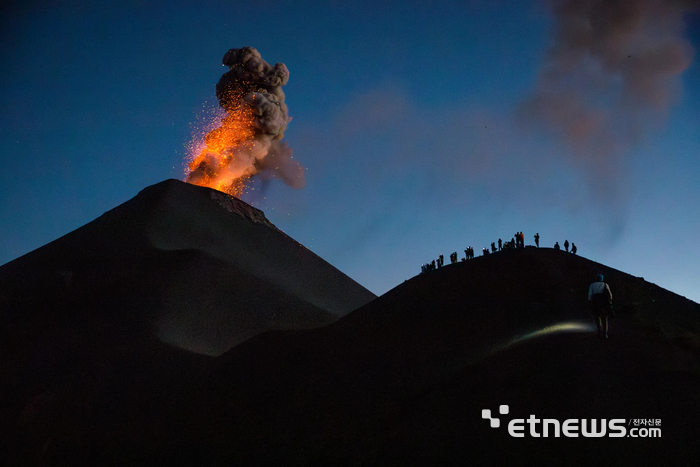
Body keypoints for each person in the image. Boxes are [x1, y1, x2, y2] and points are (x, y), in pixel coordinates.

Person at [588, 274, 613, 338]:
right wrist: (610, 302)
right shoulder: (605, 284)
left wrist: (590, 302)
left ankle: (599, 332)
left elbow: (590, 295)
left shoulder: (592, 285)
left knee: (597, 317)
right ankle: (605, 334)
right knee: (604, 318)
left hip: (595, 301)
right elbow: (610, 294)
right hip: (604, 302)